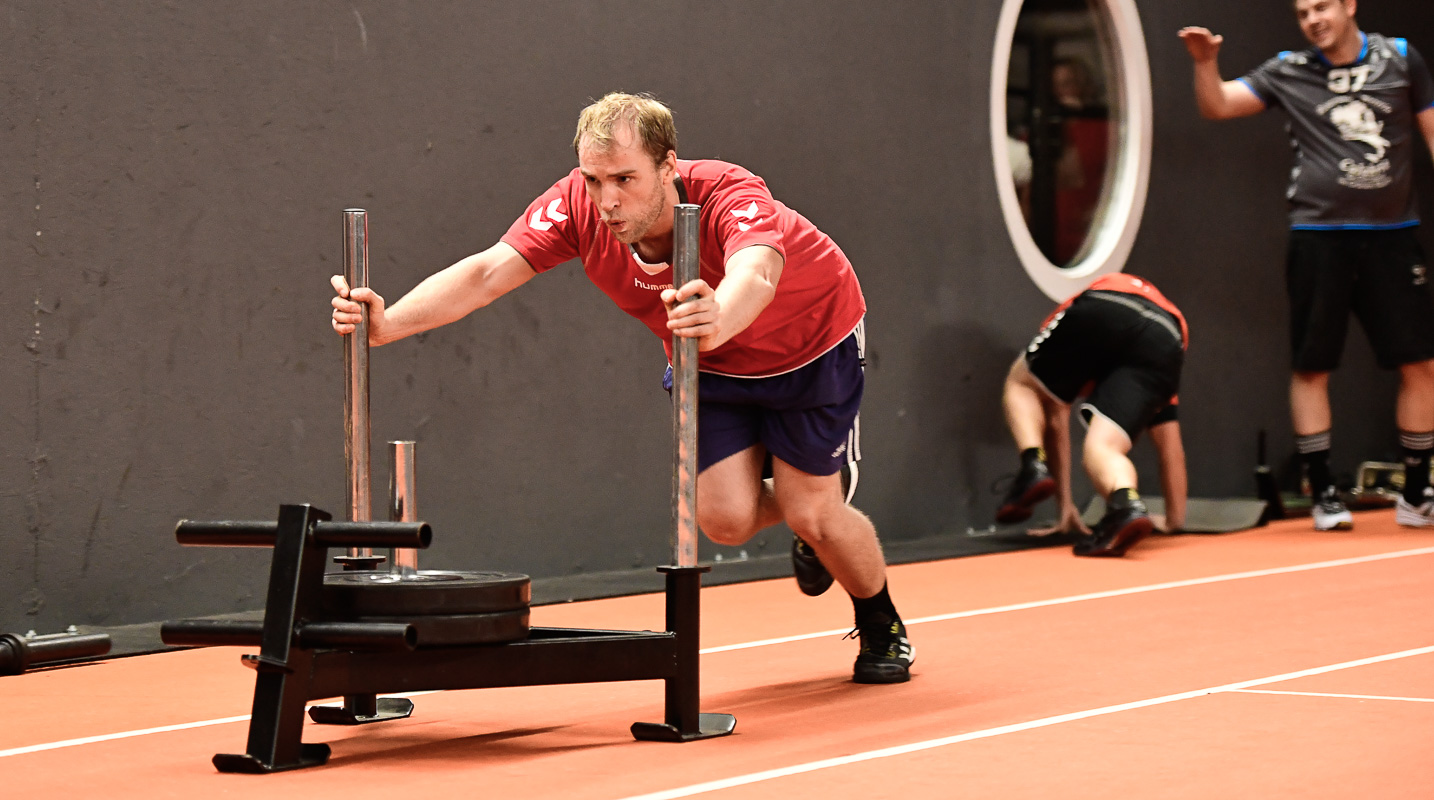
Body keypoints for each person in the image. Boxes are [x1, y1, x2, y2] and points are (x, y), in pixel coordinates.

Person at [330, 92, 913, 683]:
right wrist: (390, 324)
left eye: (625, 179)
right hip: (709, 364)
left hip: (811, 345)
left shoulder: (728, 192)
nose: (607, 200)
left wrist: (719, 318)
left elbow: (757, 271)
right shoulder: (576, 208)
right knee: (725, 521)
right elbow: (486, 272)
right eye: (593, 179)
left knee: (812, 513)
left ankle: (880, 617)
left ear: (668, 167)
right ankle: (804, 499)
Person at [1178, 0, 1434, 531]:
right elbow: (1219, 106)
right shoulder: (1287, 72)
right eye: (1302, 13)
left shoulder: (1402, 59)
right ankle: (1324, 495)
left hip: (1393, 237)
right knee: (1312, 366)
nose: (1313, 19)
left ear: (1348, 6)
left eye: (1322, 7)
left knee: (1422, 365)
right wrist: (1205, 63)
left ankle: (1416, 491)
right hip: (1319, 238)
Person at [996, 273, 1189, 558]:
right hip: (1167, 337)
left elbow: (1055, 417)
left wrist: (1065, 507)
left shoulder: (1071, 315)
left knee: (1021, 383)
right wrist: (1174, 519)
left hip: (1106, 303)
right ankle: (1126, 505)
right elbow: (1169, 442)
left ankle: (1032, 464)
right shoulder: (1154, 340)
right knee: (1104, 448)